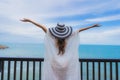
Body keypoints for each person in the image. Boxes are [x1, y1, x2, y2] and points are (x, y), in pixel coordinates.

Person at [21, 18, 100, 80]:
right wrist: (92, 26)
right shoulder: (68, 38)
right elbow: (79, 30)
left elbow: (42, 26)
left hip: (54, 64)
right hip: (66, 64)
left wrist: (30, 21)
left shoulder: (52, 37)